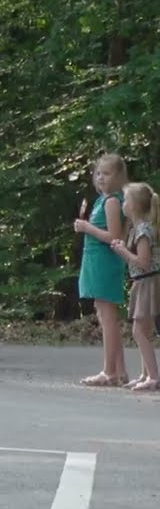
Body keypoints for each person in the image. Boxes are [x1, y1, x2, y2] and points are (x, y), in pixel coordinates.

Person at [74, 153, 130, 385]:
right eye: (98, 173)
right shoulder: (101, 200)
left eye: (106, 174)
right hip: (95, 261)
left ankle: (109, 371)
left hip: (105, 262)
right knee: (102, 312)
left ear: (118, 177)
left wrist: (87, 228)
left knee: (108, 317)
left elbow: (114, 237)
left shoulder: (112, 202)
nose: (101, 178)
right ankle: (120, 371)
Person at [110, 183, 160, 391]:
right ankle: (145, 373)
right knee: (145, 329)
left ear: (134, 206)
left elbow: (143, 262)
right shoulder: (139, 228)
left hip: (148, 281)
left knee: (139, 330)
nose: (123, 203)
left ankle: (154, 377)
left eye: (126, 199)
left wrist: (124, 254)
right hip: (145, 282)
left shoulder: (142, 231)